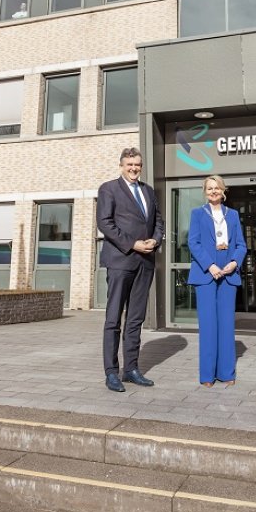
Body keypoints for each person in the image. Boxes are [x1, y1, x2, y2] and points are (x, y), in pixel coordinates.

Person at [97, 147, 165, 393]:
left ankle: (131, 369)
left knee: (135, 319)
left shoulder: (148, 191)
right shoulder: (109, 189)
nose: (134, 168)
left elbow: (158, 220)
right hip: (120, 261)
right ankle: (111, 372)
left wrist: (155, 240)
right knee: (113, 319)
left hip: (144, 263)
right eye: (129, 165)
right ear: (121, 166)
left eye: (137, 164)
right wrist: (132, 244)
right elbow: (105, 222)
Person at [187, 175, 247, 387]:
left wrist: (233, 263)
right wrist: (210, 266)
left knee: (226, 325)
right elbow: (193, 243)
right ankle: (207, 376)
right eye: (209, 188)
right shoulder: (197, 214)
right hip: (206, 275)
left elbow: (241, 245)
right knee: (208, 326)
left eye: (217, 188)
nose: (213, 191)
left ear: (223, 191)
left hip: (228, 275)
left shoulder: (233, 215)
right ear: (205, 192)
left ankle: (226, 373)